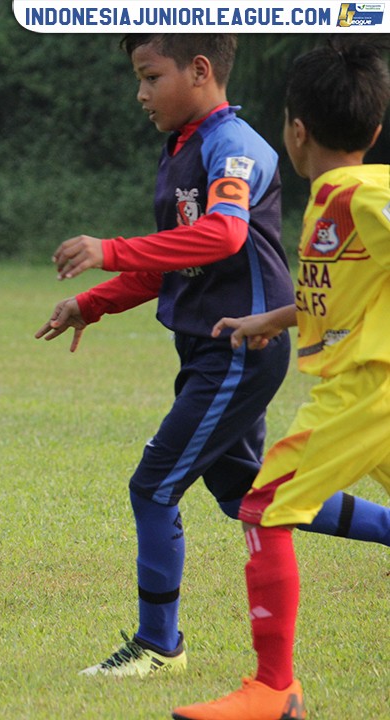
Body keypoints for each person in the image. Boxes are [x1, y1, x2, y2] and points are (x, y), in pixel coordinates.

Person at [34, 34, 390, 677]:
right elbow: (176, 260)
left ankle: (158, 644)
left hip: (238, 351)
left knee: (153, 487)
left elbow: (222, 235)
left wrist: (110, 248)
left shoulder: (236, 146)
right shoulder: (183, 150)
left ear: (200, 71)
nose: (140, 93)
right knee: (243, 494)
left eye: (150, 76)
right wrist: (95, 303)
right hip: (211, 346)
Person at [172, 40, 390, 720]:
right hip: (366, 389)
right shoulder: (341, 195)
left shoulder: (358, 193)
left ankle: (274, 691)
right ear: (374, 129)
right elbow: (345, 292)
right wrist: (272, 317)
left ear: (295, 131)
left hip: (364, 391)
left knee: (264, 507)